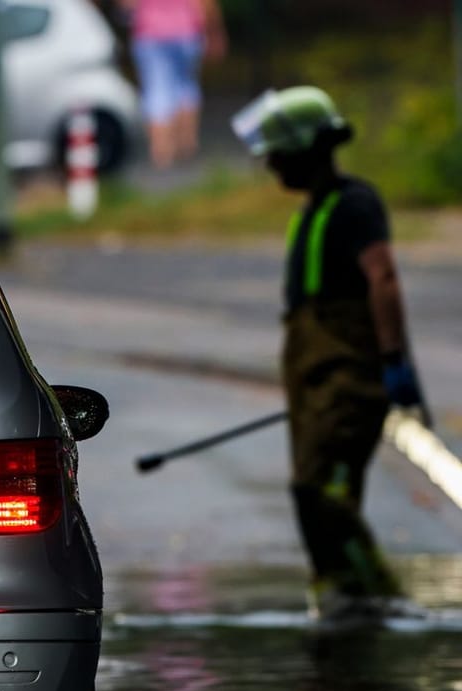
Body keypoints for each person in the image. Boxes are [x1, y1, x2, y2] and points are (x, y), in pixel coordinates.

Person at [234, 85, 421, 619]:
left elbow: (382, 277)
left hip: (349, 376)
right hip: (314, 376)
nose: (269, 163)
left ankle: (378, 599)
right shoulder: (312, 211)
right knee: (319, 492)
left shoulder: (356, 203)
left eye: (276, 151)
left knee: (320, 492)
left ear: (306, 149)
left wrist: (393, 362)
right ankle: (339, 601)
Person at [125, 0, 225, 169]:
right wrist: (215, 32)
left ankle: (161, 151)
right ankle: (186, 145)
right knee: (185, 87)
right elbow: (205, 4)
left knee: (156, 90)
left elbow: (127, 5)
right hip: (187, 32)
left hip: (150, 33)